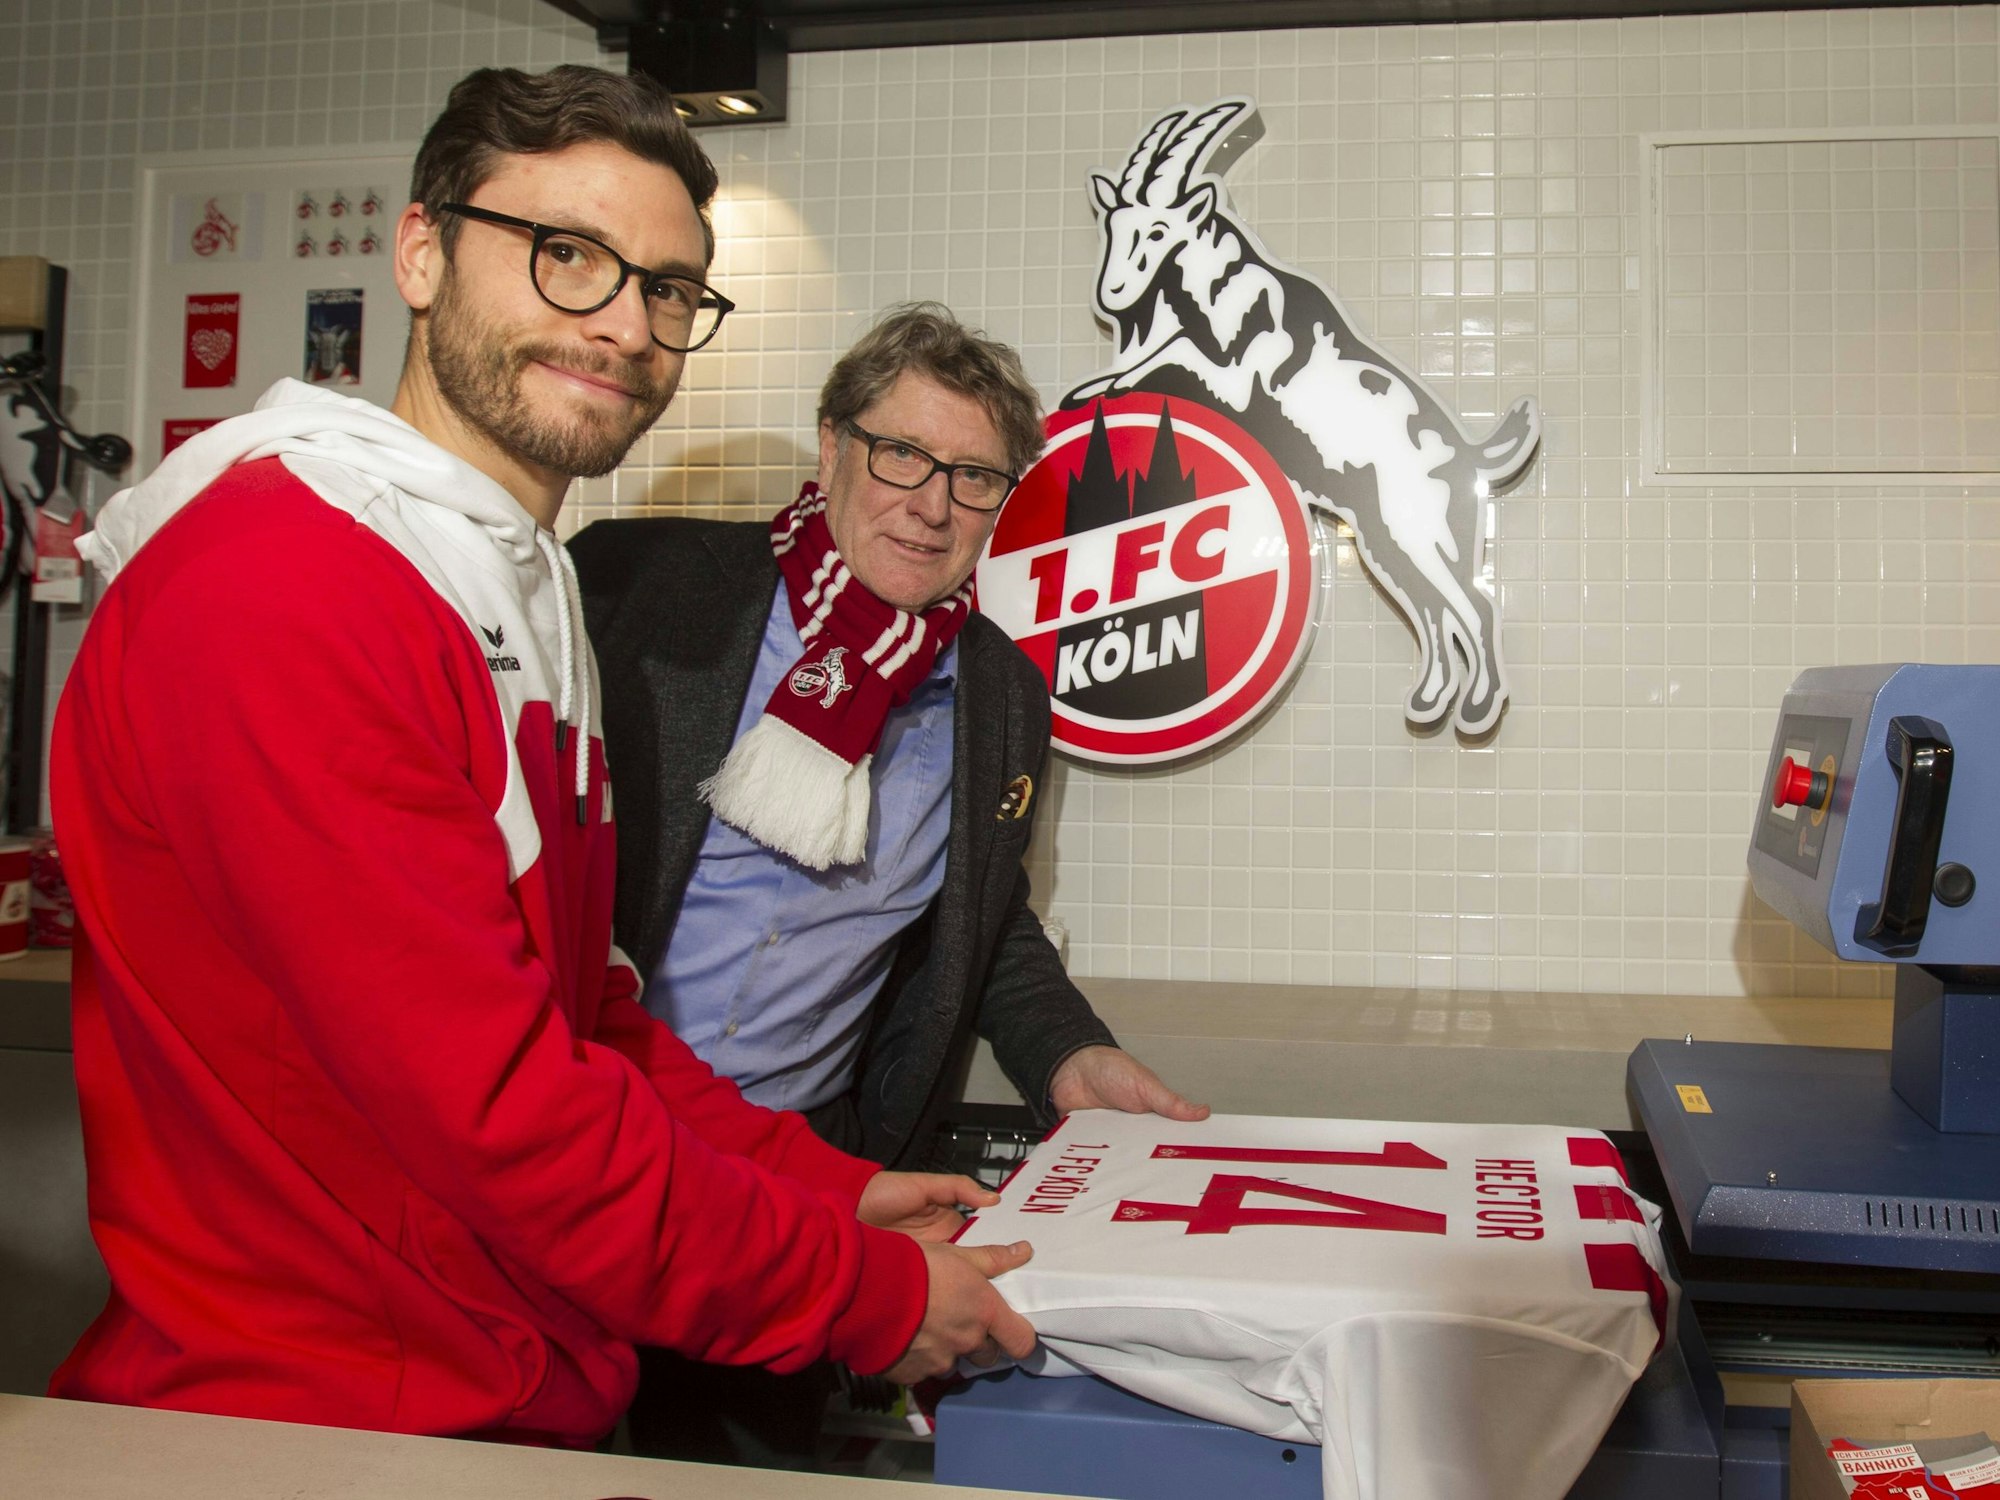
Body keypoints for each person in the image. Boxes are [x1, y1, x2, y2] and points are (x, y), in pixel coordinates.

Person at [48, 66, 1034, 1447]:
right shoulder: (286, 581)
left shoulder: (509, 581)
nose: (623, 323)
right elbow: (500, 1111)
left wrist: (825, 1189)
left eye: (667, 289)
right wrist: (859, 1291)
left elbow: (588, 1019)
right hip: (315, 1424)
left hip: (510, 1382)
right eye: (566, 254)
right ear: (421, 251)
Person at [571, 302, 1206, 1464]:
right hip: (583, 1137)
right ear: (832, 447)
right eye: (901, 454)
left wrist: (1067, 1053)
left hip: (792, 1180)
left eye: (973, 477)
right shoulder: (635, 587)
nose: (930, 504)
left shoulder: (1000, 696)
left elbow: (984, 922)